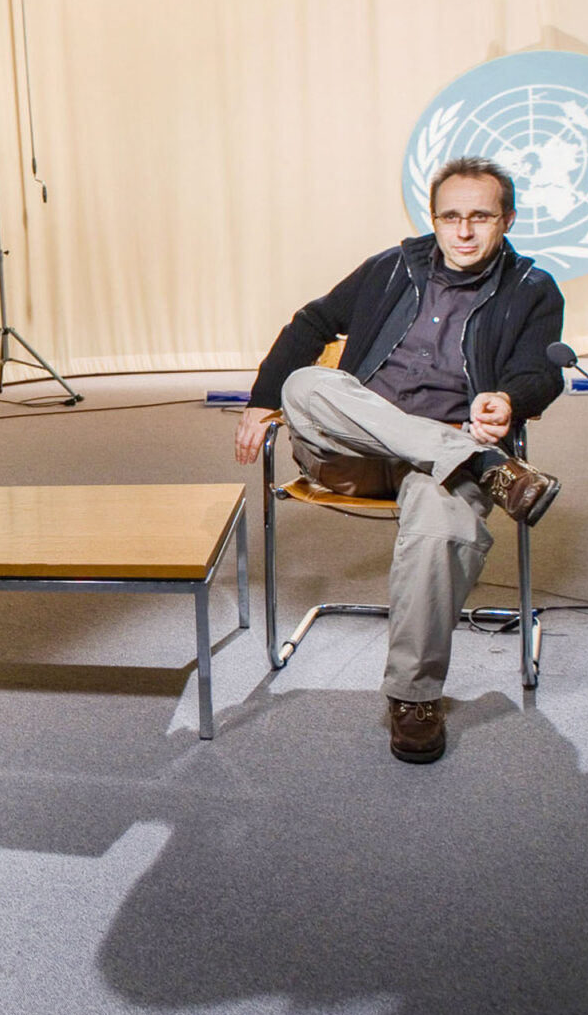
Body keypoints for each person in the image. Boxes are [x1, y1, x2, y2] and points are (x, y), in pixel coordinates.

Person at [232, 156, 565, 764]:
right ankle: (482, 464)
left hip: (437, 464)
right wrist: (261, 398)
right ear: (433, 220)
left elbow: (541, 369)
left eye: (480, 217)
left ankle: (413, 698)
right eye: (450, 217)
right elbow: (312, 321)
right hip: (353, 451)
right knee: (307, 385)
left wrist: (510, 399)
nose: (463, 231)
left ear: (507, 219)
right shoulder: (392, 267)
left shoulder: (532, 288)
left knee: (446, 524)